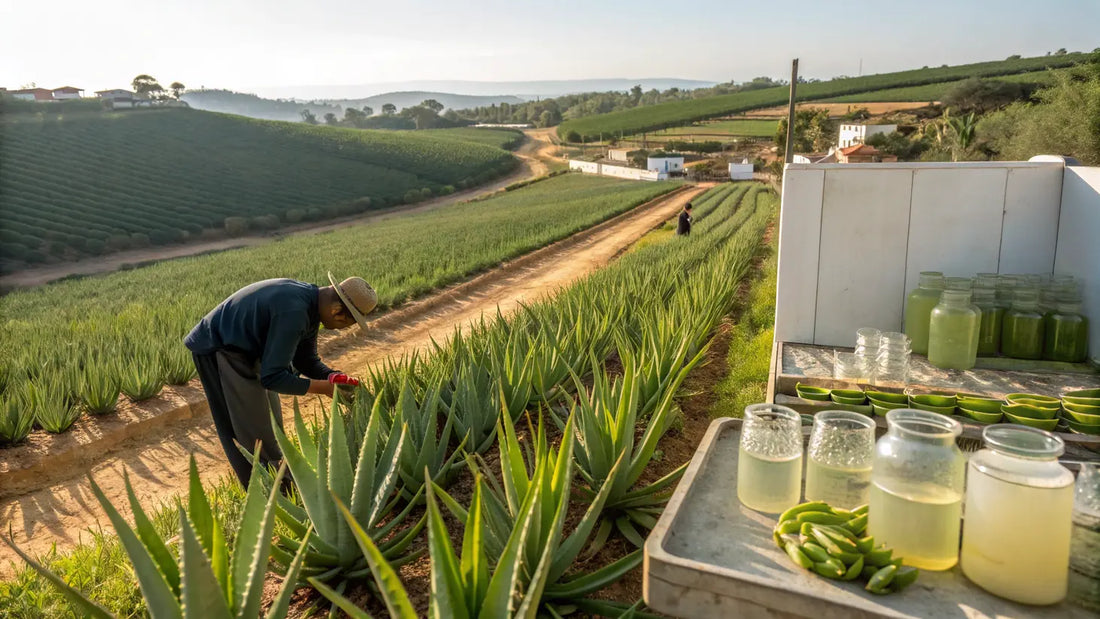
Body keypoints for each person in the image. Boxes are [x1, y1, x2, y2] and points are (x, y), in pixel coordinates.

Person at [184, 272, 377, 486]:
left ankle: (282, 485)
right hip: (221, 349)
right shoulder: (295, 311)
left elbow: (306, 360)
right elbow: (273, 378)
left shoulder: (311, 305)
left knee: (270, 422)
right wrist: (323, 387)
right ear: (338, 312)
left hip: (248, 351)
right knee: (248, 431)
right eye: (349, 323)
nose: (345, 328)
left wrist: (331, 376)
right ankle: (265, 492)